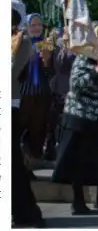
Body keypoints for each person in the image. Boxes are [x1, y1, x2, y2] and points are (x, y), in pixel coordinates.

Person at [52, 24, 98, 214]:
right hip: (83, 116)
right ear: (96, 37)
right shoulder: (85, 56)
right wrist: (96, 70)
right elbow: (76, 85)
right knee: (80, 160)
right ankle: (78, 202)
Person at [11, 0, 46, 228]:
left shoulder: (21, 41)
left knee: (13, 164)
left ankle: (29, 213)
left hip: (11, 105)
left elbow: (11, 72)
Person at [18, 13, 54, 165]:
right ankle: (19, 158)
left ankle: (34, 157)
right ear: (27, 26)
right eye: (33, 25)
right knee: (20, 123)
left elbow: (52, 71)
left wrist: (46, 60)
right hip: (24, 90)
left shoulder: (47, 44)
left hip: (42, 90)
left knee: (38, 125)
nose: (37, 28)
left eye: (39, 24)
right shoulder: (20, 43)